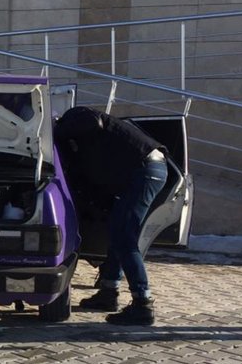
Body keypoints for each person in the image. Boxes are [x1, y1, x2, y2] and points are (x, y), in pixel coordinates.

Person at [54, 107, 168, 326]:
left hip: (145, 170)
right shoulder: (76, 142)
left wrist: (56, 131)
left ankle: (143, 304)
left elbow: (92, 121)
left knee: (124, 235)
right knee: (116, 231)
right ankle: (109, 292)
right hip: (144, 170)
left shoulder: (75, 117)